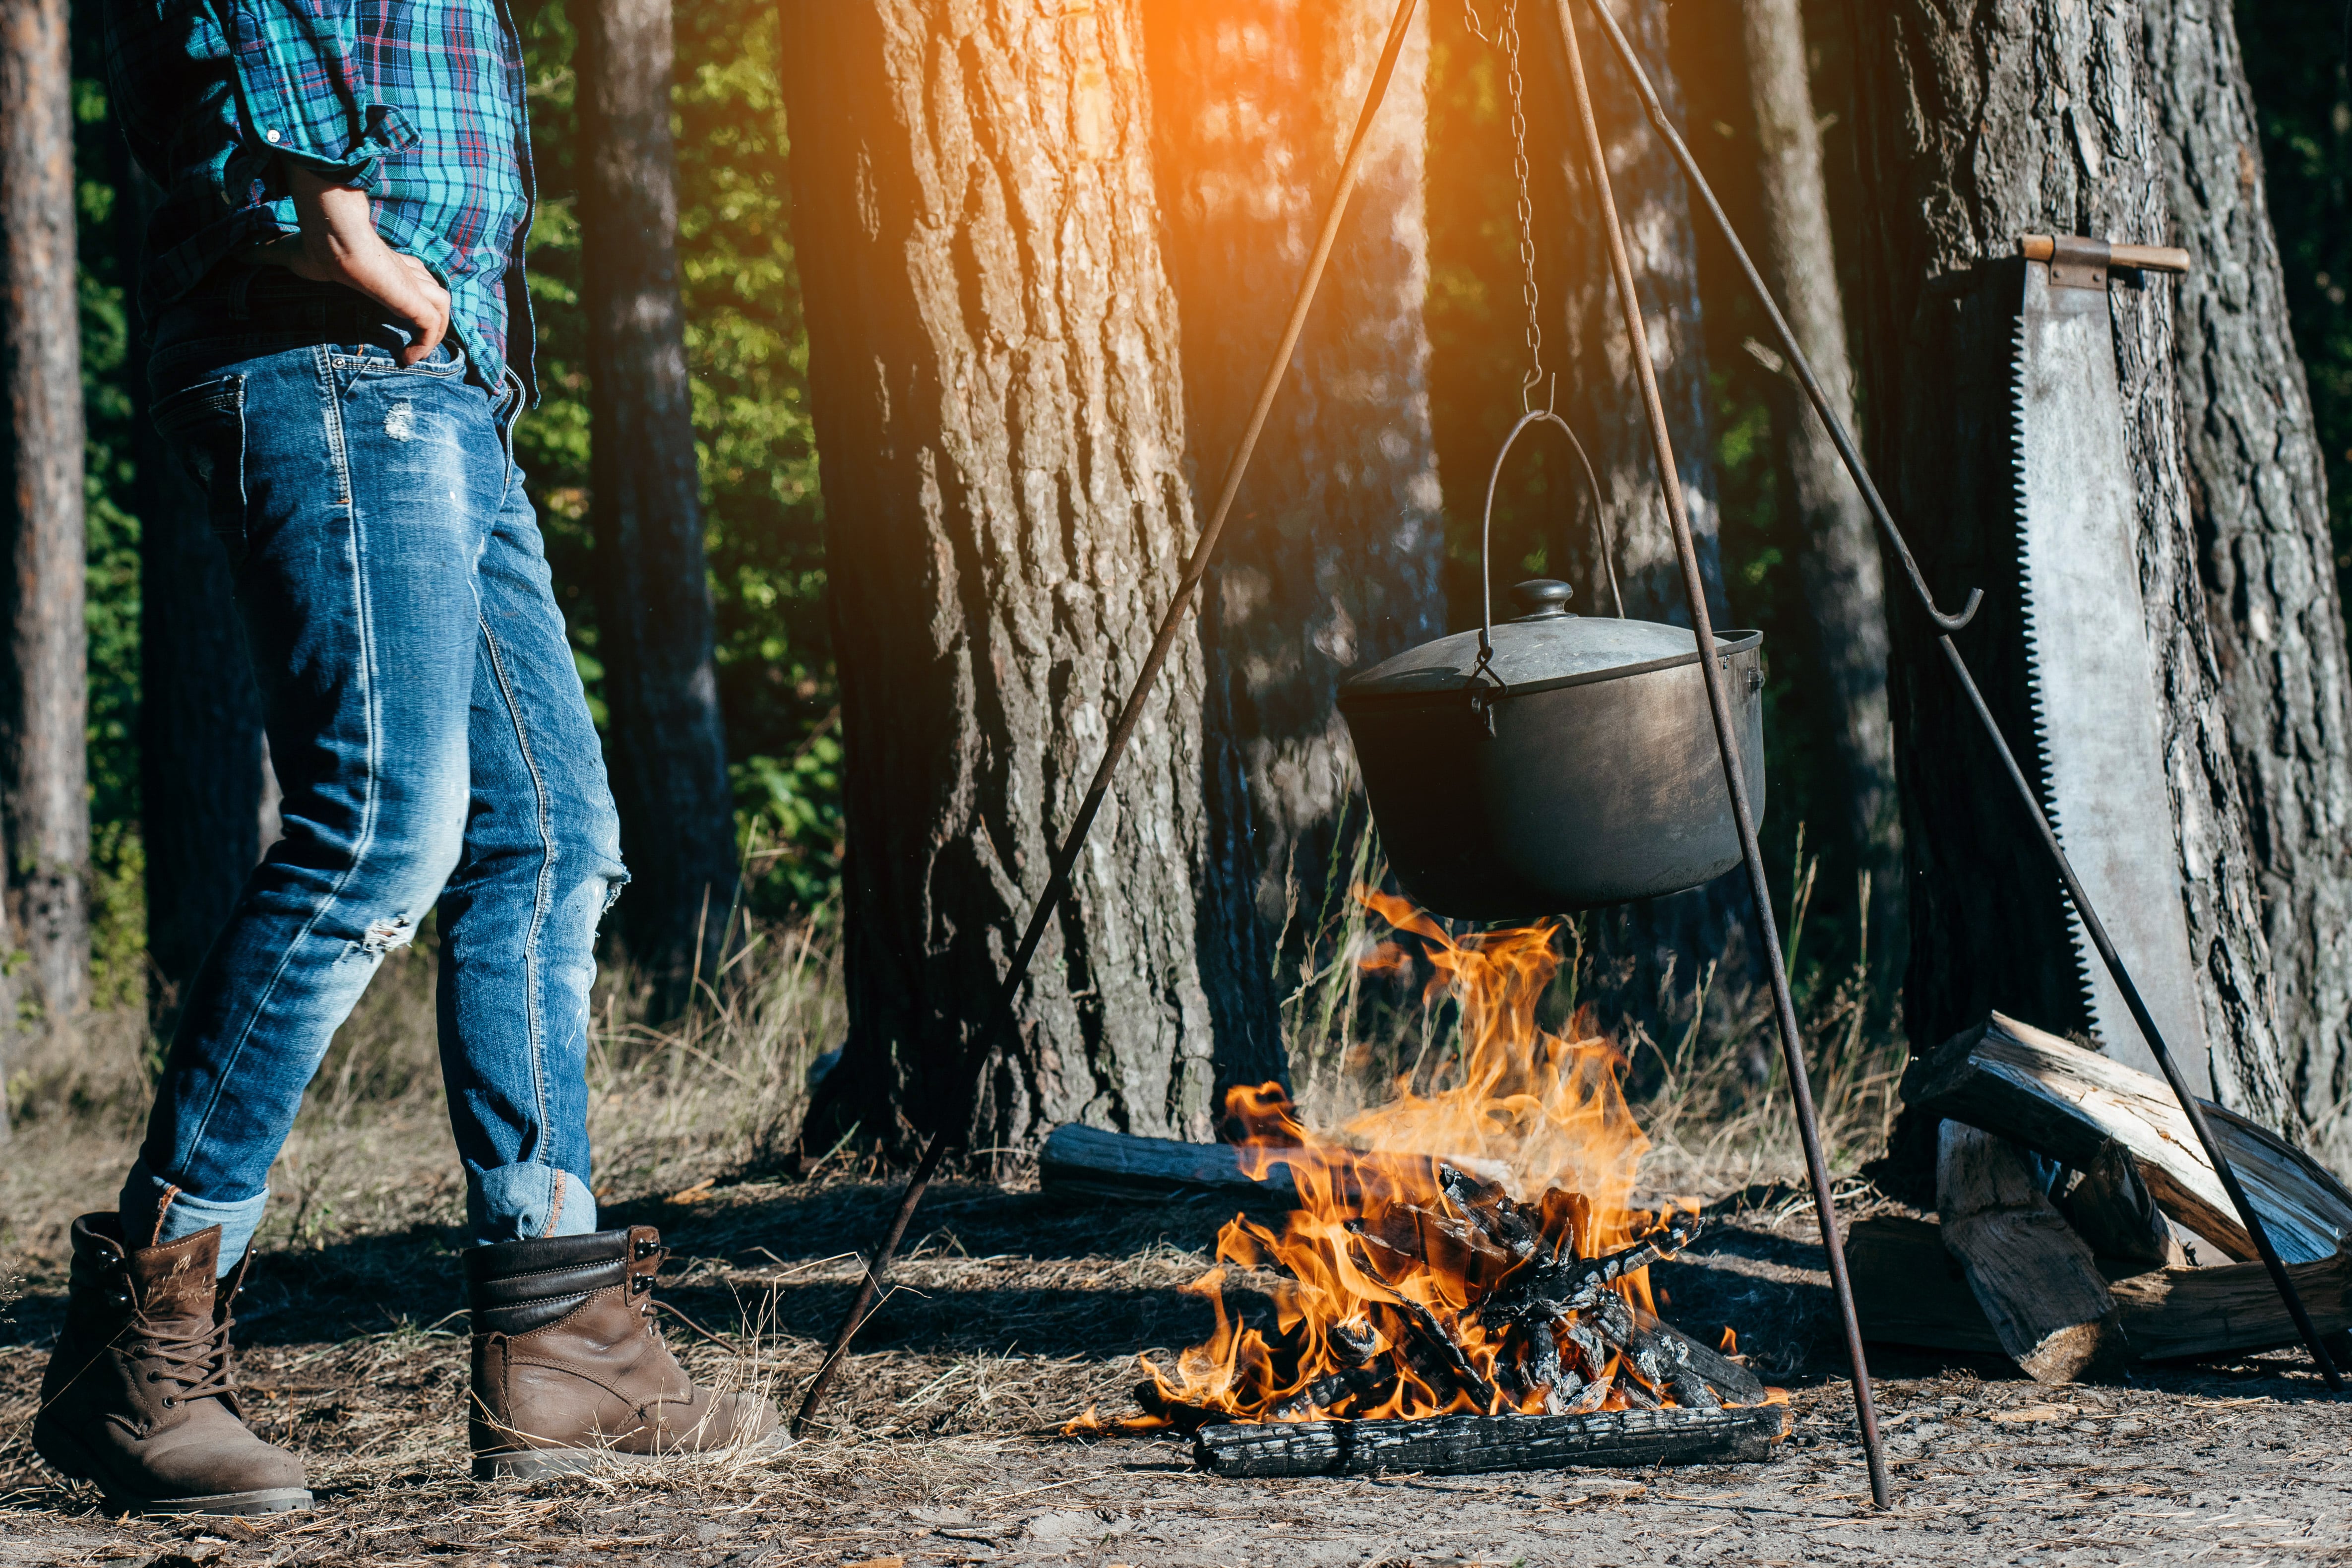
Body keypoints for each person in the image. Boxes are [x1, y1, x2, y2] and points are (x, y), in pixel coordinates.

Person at [36, 0, 782, 1516]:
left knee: (554, 836)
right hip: (322, 333)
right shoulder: (328, 266)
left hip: (434, 374)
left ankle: (561, 1325)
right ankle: (141, 1346)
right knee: (385, 826)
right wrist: (340, 226)